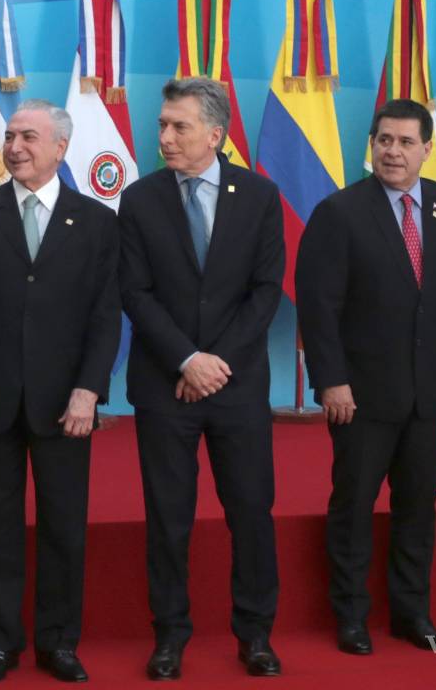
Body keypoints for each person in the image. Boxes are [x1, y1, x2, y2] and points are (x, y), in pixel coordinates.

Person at [0, 99, 120, 683]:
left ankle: (59, 643)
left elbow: (105, 316)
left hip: (66, 403)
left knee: (64, 527)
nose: (14, 147)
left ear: (60, 148)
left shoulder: (96, 221)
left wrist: (90, 390)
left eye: (28, 138)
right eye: (10, 136)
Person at [296, 99, 436, 656]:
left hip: (430, 392)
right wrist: (330, 380)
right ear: (372, 145)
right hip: (359, 395)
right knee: (353, 506)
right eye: (384, 140)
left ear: (427, 149)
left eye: (405, 142)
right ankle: (351, 616)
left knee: (418, 507)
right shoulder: (339, 212)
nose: (393, 152)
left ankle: (412, 614)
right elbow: (319, 307)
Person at [118, 77, 285, 680]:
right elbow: (135, 292)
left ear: (215, 134)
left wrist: (213, 364)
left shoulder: (260, 196)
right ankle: (169, 636)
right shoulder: (139, 200)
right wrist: (187, 360)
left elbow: (265, 292)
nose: (164, 137)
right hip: (166, 385)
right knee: (169, 519)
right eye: (162, 125)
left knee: (251, 512)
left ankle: (256, 634)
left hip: (237, 385)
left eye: (178, 126)